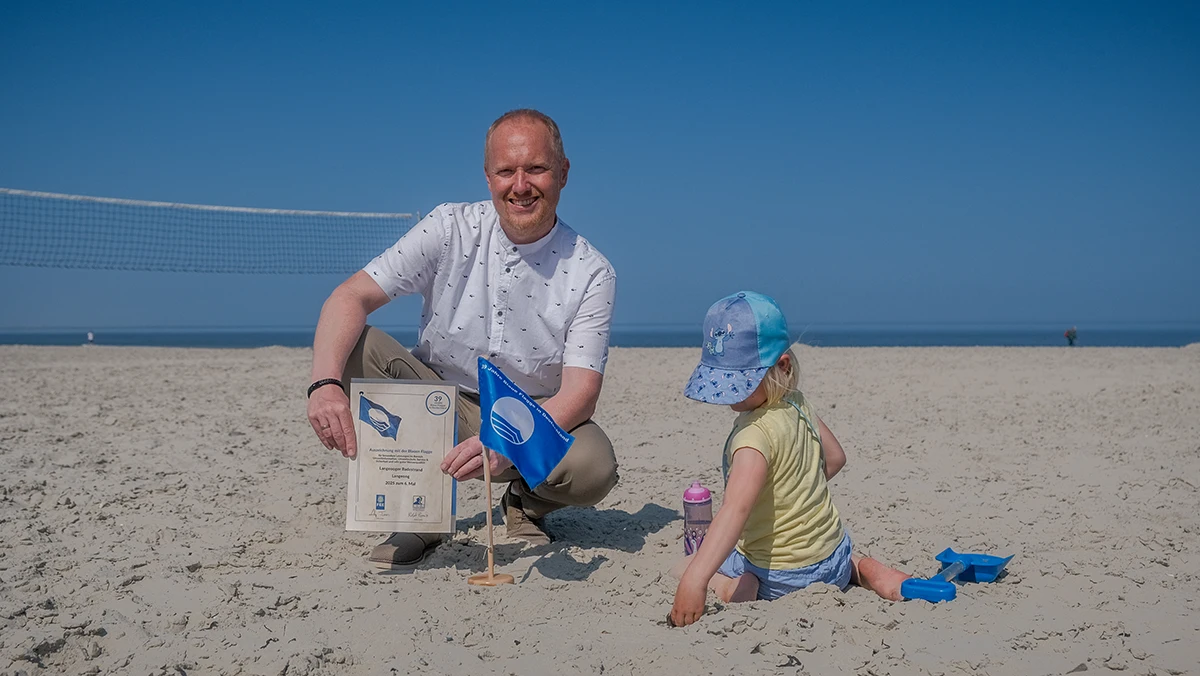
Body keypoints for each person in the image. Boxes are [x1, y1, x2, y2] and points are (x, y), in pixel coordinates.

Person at [306, 109, 619, 568]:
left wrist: (506, 440)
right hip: (437, 398)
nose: (520, 185)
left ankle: (525, 503)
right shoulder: (449, 226)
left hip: (524, 411)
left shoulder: (592, 270)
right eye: (505, 171)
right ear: (488, 176)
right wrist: (324, 385)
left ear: (563, 173)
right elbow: (349, 296)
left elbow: (580, 393)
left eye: (536, 168)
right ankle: (424, 511)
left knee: (593, 467)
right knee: (353, 346)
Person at [668, 291, 910, 628]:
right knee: (831, 553)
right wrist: (794, 492)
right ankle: (864, 568)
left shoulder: (751, 438)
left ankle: (738, 586)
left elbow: (735, 512)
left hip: (780, 577)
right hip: (832, 559)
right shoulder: (799, 403)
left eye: (739, 380)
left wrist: (694, 581)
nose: (729, 393)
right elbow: (836, 458)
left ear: (782, 365)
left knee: (684, 565)